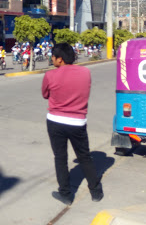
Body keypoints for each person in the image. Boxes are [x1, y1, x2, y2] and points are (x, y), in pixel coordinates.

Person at [42, 43, 103, 206]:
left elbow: (45, 94)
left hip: (55, 121)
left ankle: (66, 194)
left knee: (60, 157)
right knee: (84, 156)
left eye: (53, 57)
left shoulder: (50, 75)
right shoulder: (85, 72)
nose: (51, 59)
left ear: (60, 59)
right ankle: (96, 191)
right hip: (77, 122)